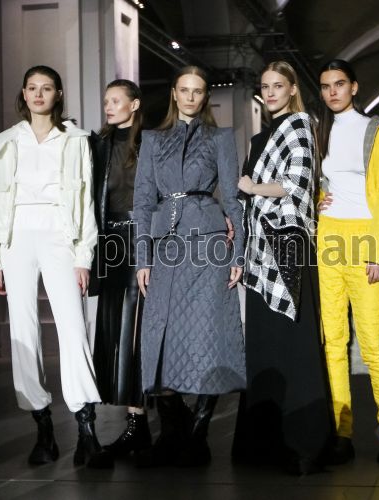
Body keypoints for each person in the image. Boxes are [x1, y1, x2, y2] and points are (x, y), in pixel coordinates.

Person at [0, 65, 102, 466]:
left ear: (58, 94)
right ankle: (43, 427)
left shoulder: (75, 139)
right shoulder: (9, 141)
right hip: (17, 237)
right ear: (23, 93)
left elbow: (84, 200)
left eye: (46, 88)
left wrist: (83, 256)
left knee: (73, 328)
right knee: (24, 330)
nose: (38, 94)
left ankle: (86, 428)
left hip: (59, 235)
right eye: (32, 87)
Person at [133, 65, 246, 467]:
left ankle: (198, 434)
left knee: (208, 337)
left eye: (198, 91)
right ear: (174, 93)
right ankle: (170, 433)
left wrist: (238, 254)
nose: (191, 97)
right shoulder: (152, 139)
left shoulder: (220, 138)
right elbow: (142, 202)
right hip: (165, 245)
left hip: (208, 245)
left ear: (205, 96)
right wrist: (142, 258)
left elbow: (232, 198)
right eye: (185, 90)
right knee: (159, 340)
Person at [233, 61, 332, 475]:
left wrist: (253, 187)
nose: (271, 92)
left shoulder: (301, 126)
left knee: (293, 341)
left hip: (288, 242)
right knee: (264, 342)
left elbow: (298, 183)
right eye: (265, 86)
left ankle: (304, 441)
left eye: (278, 85)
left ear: (292, 89)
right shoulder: (258, 139)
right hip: (259, 246)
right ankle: (264, 442)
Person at [316, 59, 379, 464]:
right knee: (333, 341)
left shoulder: (378, 133)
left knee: (373, 344)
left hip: (366, 239)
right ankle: (342, 432)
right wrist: (316, 201)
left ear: (354, 87)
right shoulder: (318, 132)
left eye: (339, 84)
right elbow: (311, 182)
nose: (332, 92)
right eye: (326, 86)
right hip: (327, 238)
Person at [85, 79, 148, 468]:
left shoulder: (150, 142)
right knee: (113, 333)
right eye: (106, 100)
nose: (108, 106)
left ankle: (139, 423)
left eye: (116, 100)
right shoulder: (98, 145)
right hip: (109, 243)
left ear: (134, 104)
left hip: (141, 241)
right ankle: (135, 425)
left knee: (136, 333)